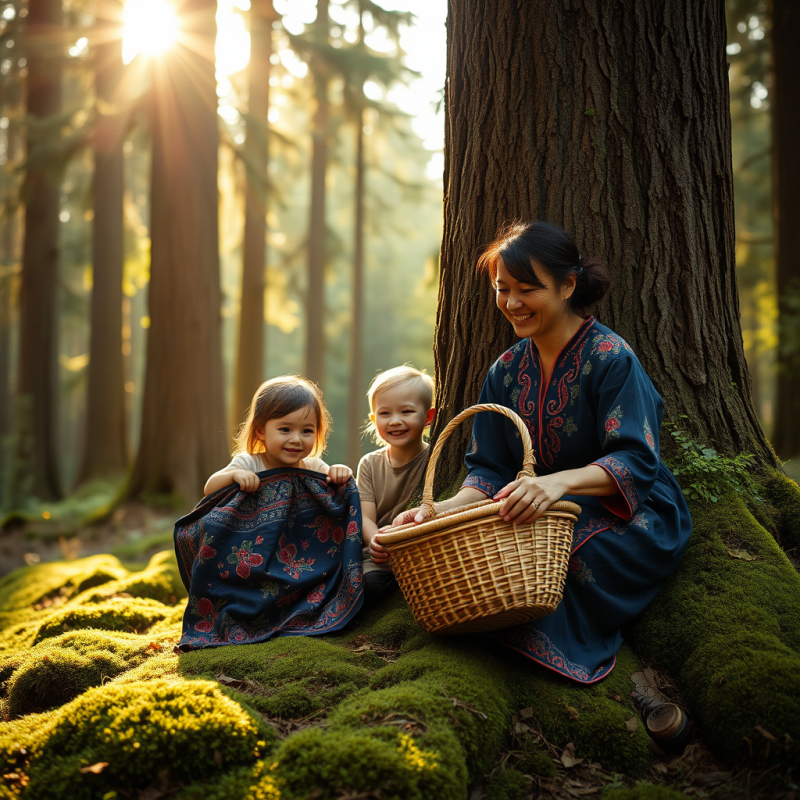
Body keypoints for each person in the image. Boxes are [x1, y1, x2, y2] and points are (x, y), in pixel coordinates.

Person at [394, 221, 692, 684]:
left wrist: (557, 483)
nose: (512, 304)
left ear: (567, 285)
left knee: (555, 561)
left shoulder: (613, 359)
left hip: (631, 510)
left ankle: (595, 665)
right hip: (537, 506)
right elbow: (490, 467)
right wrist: (438, 511)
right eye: (502, 289)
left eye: (527, 289)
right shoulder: (506, 370)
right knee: (490, 561)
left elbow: (636, 460)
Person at [204, 375, 352, 496]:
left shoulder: (313, 467)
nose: (296, 439)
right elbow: (209, 488)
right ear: (260, 431)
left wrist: (339, 472)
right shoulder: (249, 463)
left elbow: (339, 488)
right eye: (285, 429)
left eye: (307, 431)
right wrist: (234, 475)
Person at [359, 366, 436, 599]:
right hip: (380, 555)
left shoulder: (436, 459)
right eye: (385, 414)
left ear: (428, 417)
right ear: (374, 419)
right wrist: (377, 542)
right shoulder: (369, 464)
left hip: (421, 551)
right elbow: (365, 517)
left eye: (406, 411)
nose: (395, 421)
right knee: (370, 585)